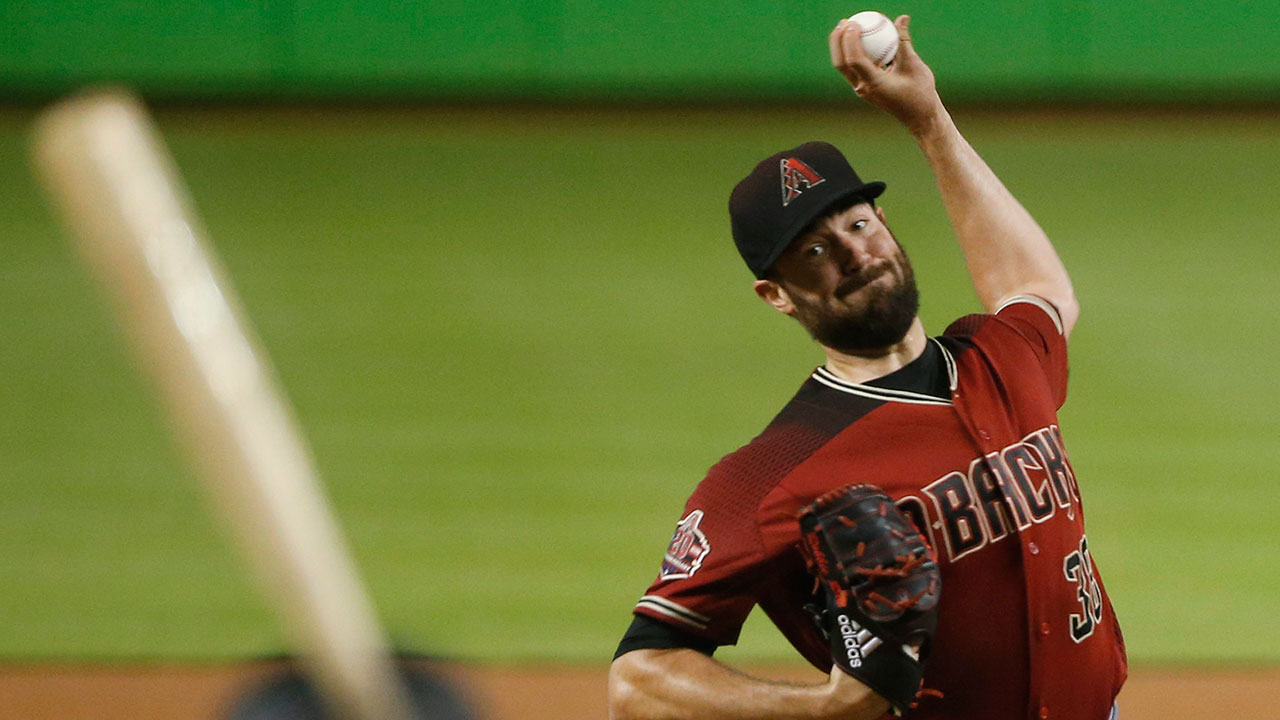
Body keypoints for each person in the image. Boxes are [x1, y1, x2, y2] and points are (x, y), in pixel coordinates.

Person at [607, 15, 1127, 720]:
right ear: (776, 295)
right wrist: (822, 709)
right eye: (815, 251)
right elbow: (638, 680)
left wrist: (930, 121)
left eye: (857, 224)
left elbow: (1036, 287)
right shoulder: (770, 476)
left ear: (885, 225)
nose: (854, 254)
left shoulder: (1002, 358)